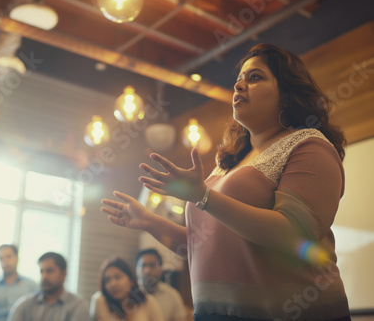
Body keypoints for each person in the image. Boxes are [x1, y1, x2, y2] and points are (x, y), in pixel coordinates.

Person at [101, 43, 351, 321]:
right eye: (238, 80)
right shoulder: (228, 164)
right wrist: (149, 221)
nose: (239, 86)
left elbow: (293, 234)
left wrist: (203, 196)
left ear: (287, 94)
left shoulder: (309, 145)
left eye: (254, 77)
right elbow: (202, 245)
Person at [7, 251, 90, 321]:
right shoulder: (25, 304)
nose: (44, 276)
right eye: (41, 272)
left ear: (63, 274)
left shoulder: (77, 306)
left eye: (49, 271)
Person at [90, 256, 163, 321]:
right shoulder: (100, 301)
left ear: (131, 280)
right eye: (107, 280)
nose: (113, 284)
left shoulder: (148, 302)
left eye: (118, 277)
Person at [0, 244, 38, 321]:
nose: (5, 261)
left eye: (9, 256)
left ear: (17, 258)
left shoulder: (31, 285)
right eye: (1, 258)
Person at [135, 249, 186, 321]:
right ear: (136, 269)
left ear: (161, 270)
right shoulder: (128, 295)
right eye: (143, 265)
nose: (147, 270)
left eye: (152, 265)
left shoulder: (172, 295)